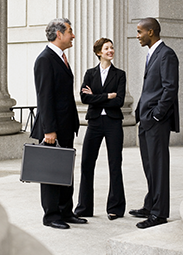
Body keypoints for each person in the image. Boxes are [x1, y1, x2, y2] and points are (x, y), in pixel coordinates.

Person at [30, 18, 87, 229]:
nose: (73, 36)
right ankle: (52, 216)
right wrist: (49, 130)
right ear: (58, 34)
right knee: (51, 172)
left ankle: (65, 211)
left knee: (65, 170)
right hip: (52, 129)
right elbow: (44, 98)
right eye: (70, 31)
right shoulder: (45, 59)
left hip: (65, 126)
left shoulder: (61, 58)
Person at [129, 17, 179, 229]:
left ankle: (159, 214)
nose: (138, 36)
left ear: (151, 32)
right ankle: (151, 204)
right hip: (147, 119)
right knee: (149, 166)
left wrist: (157, 115)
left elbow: (170, 88)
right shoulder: (152, 54)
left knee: (158, 167)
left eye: (140, 32)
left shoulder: (167, 54)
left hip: (157, 121)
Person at [74, 38, 126, 220]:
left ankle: (116, 208)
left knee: (115, 164)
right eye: (106, 48)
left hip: (113, 123)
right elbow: (84, 98)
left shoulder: (120, 74)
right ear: (98, 53)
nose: (110, 50)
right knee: (87, 163)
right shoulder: (90, 74)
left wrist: (96, 96)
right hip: (94, 123)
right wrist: (106, 96)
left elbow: (119, 101)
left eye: (112, 47)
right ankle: (84, 207)